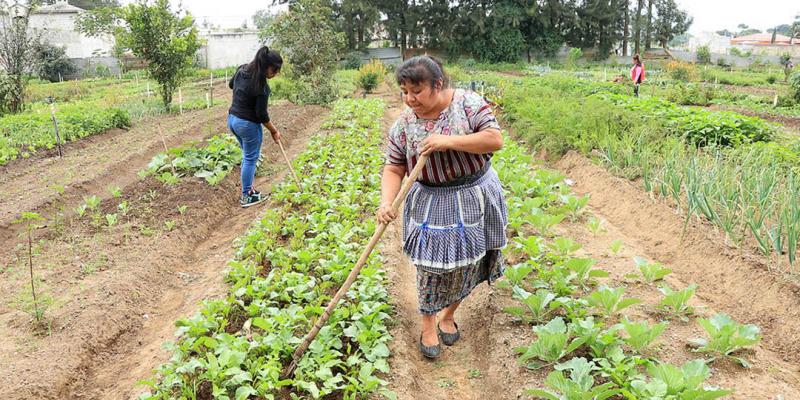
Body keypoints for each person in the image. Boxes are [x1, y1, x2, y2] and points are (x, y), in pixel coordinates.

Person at [377, 55, 508, 359]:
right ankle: (428, 324)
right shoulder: (405, 126)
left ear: (437, 85)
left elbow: (494, 140)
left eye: (417, 91)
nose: (410, 99)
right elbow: (394, 167)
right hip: (432, 200)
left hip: (476, 193)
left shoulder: (468, 104)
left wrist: (448, 142)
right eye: (404, 92)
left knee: (474, 261)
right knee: (431, 267)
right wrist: (387, 202)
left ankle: (448, 314)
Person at [227, 46, 283, 207]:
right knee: (251, 158)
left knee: (247, 156)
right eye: (275, 70)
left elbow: (232, 85)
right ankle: (246, 196)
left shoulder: (242, 70)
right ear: (266, 67)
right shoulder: (262, 87)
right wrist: (274, 131)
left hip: (233, 119)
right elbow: (261, 115)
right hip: (247, 124)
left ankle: (249, 190)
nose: (276, 74)